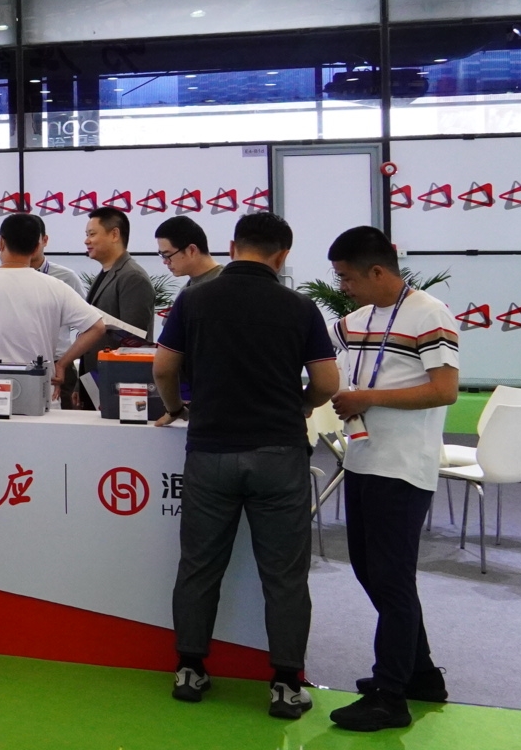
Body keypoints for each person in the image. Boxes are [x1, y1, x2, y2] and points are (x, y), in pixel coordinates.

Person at [153, 211, 338, 720]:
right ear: (283, 255)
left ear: (233, 247)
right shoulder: (300, 307)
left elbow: (164, 367)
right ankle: (285, 683)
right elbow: (327, 383)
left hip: (211, 451)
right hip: (279, 453)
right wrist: (299, 404)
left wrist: (177, 408)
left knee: (198, 566)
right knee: (285, 575)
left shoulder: (194, 300)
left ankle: (190, 669)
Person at [323, 226, 459, 732]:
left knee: (391, 577)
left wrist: (368, 398)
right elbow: (318, 359)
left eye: (347, 278)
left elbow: (444, 390)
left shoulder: (430, 314)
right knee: (369, 569)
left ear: (378, 271)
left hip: (402, 467)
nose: (343, 287)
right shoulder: (356, 321)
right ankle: (421, 674)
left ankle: (390, 694)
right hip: (361, 458)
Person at [0, 214, 110, 403]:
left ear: (1, 243)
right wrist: (62, 364)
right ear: (37, 246)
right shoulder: (55, 286)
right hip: (41, 391)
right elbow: (97, 327)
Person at [79, 207, 156, 406]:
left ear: (114, 234)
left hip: (118, 387)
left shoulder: (132, 277)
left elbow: (133, 343)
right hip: (95, 381)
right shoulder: (105, 273)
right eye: (86, 235)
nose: (86, 241)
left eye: (92, 234)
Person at [155, 216, 222, 294]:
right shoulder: (185, 290)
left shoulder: (225, 284)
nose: (165, 262)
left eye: (167, 255)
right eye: (162, 255)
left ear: (191, 250)